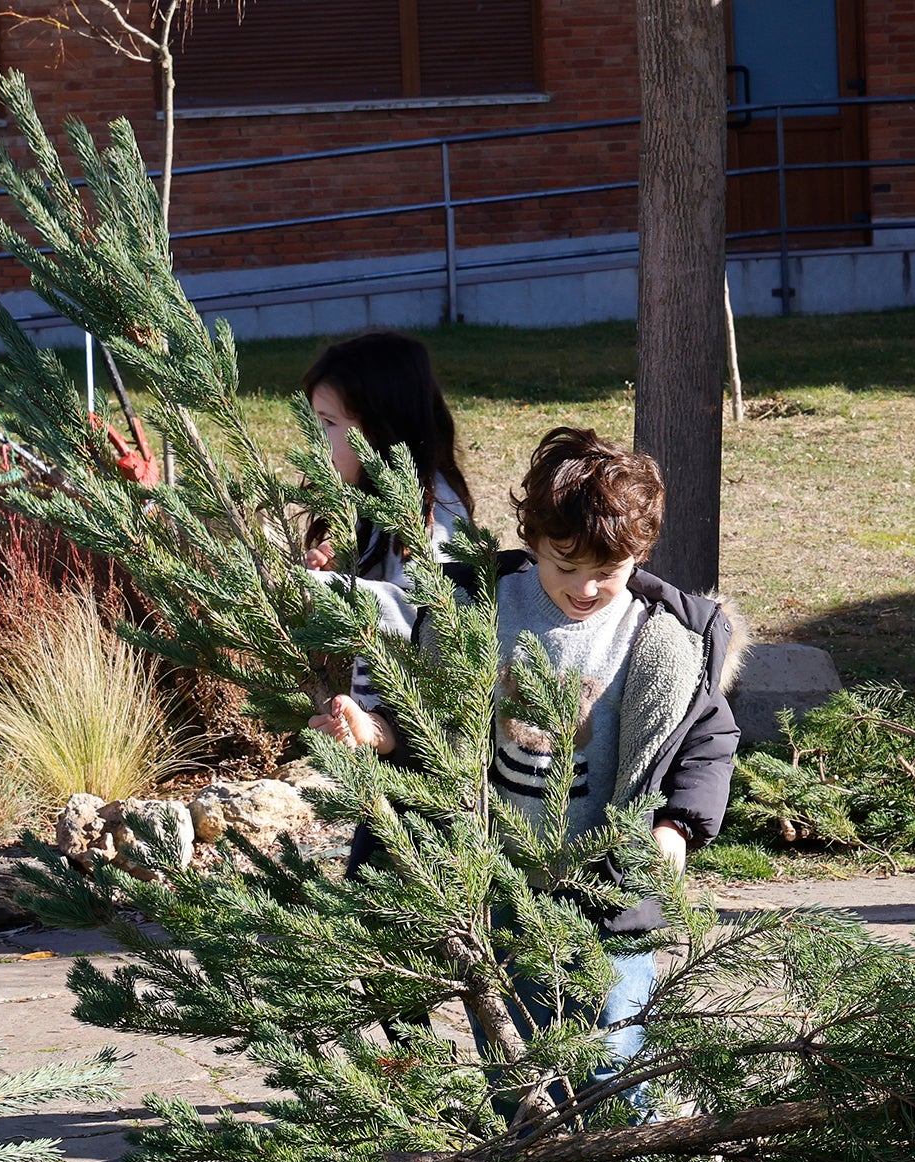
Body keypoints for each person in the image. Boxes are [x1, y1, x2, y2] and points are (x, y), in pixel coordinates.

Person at [312, 426, 742, 1088]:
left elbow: (705, 738)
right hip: (500, 882)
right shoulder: (483, 609)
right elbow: (431, 706)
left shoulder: (659, 640)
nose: (586, 587)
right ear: (532, 539)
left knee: (614, 1049)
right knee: (515, 1055)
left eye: (607, 571)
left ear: (640, 552)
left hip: (609, 889)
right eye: (565, 566)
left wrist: (675, 826)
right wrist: (380, 732)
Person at [300, 331, 476, 733]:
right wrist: (342, 558)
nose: (315, 439)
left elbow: (422, 612)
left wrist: (325, 589)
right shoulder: (381, 498)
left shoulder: (434, 516)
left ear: (380, 427)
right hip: (379, 722)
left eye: (328, 423)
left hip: (424, 736)